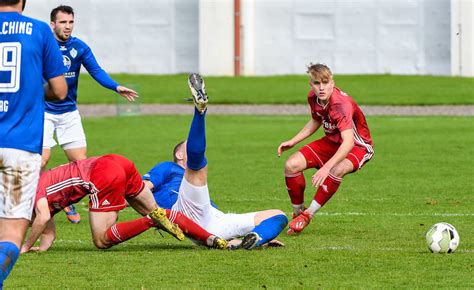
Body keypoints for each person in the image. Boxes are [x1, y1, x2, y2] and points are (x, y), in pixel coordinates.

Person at [143, 74, 288, 250]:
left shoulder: (195, 183)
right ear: (180, 155)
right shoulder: (168, 167)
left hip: (214, 218)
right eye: (187, 146)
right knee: (197, 165)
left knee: (278, 216)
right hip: (184, 212)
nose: (192, 145)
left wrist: (265, 235)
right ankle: (200, 110)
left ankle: (253, 239)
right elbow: (142, 190)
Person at [43, 5, 139, 223]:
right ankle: (45, 201)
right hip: (43, 112)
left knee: (81, 165)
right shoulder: (43, 46)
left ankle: (66, 200)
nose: (67, 27)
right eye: (62, 22)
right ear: (52, 24)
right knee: (41, 161)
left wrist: (116, 87)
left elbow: (96, 70)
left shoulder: (79, 47)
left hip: (68, 113)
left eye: (70, 22)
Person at [0, 0, 68, 286]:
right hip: (19, 145)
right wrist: (32, 93)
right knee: (11, 235)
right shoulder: (39, 31)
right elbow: (60, 91)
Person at [278, 63, 374, 235]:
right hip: (331, 142)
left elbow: (348, 142)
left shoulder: (340, 104)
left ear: (332, 83)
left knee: (337, 169)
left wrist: (326, 168)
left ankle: (308, 215)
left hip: (358, 146)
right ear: (311, 85)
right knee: (291, 165)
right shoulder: (313, 97)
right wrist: (293, 141)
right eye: (316, 83)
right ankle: (298, 212)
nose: (321, 87)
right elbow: (316, 120)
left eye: (325, 82)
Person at [21, 154, 186, 253]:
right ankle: (205, 236)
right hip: (117, 161)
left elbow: (41, 219)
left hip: (103, 172)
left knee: (102, 240)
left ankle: (150, 221)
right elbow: (48, 234)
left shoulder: (32, 194)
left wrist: (25, 247)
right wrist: (40, 249)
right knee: (156, 211)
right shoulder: (44, 204)